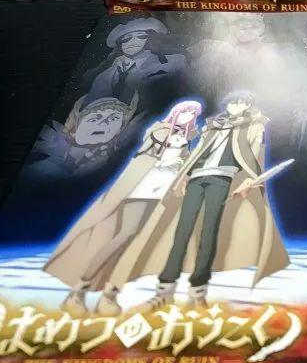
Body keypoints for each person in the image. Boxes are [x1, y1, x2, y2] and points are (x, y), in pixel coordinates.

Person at [127, 92, 289, 309]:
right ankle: (164, 290)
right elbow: (198, 152)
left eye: (242, 103)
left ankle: (197, 290)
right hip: (196, 178)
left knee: (208, 233)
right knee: (182, 233)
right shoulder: (213, 125)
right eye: (233, 102)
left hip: (222, 179)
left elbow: (254, 153)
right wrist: (185, 176)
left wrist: (248, 180)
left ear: (248, 105)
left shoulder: (254, 126)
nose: (236, 105)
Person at [45, 100, 203, 316]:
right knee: (124, 236)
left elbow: (185, 167)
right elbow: (149, 154)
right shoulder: (160, 130)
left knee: (138, 245)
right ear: (177, 112)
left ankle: (109, 294)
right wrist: (172, 150)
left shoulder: (186, 139)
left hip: (163, 196)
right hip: (141, 190)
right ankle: (78, 291)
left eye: (193, 113)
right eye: (186, 111)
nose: (189, 116)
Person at [32, 94, 140, 175]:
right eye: (94, 119)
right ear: (75, 125)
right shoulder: (45, 167)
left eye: (113, 119)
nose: (104, 123)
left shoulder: (114, 155)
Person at [86, 17, 186, 103]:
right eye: (126, 39)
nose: (133, 41)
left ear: (151, 39)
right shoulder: (105, 74)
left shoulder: (175, 61)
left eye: (141, 36)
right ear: (120, 44)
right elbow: (92, 103)